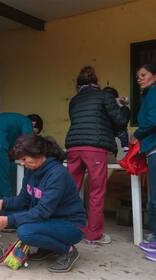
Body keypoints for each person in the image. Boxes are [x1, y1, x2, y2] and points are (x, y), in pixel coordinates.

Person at [0, 134, 86, 273]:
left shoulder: (57, 174)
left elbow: (42, 211)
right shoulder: (31, 170)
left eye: (24, 159)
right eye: (20, 160)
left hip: (71, 225)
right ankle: (48, 248)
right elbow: (23, 199)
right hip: (50, 219)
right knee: (5, 213)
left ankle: (68, 251)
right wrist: (2, 202)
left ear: (38, 153)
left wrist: (9, 220)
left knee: (25, 232)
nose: (22, 163)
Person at [65, 66, 130, 244]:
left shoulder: (75, 100)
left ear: (79, 86)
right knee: (96, 191)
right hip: (95, 148)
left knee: (70, 190)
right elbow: (120, 121)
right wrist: (124, 107)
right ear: (97, 83)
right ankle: (94, 235)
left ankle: (66, 228)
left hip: (73, 147)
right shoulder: (105, 96)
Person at [130, 64, 156, 262]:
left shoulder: (154, 92)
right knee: (152, 198)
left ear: (154, 76)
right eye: (138, 76)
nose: (139, 79)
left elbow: (152, 119)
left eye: (144, 75)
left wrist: (136, 135)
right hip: (151, 148)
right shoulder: (149, 94)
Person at [102, 86, 130, 153]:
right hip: (107, 137)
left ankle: (125, 145)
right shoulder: (101, 107)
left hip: (108, 136)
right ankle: (125, 145)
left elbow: (123, 121)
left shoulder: (122, 107)